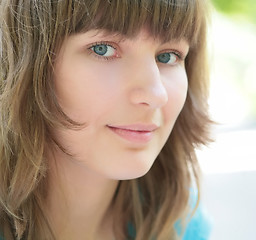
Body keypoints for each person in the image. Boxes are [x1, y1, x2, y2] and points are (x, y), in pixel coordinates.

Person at [0, 0, 212, 239]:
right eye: (103, 49)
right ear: (25, 64)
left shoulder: (182, 226)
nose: (155, 94)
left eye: (167, 57)